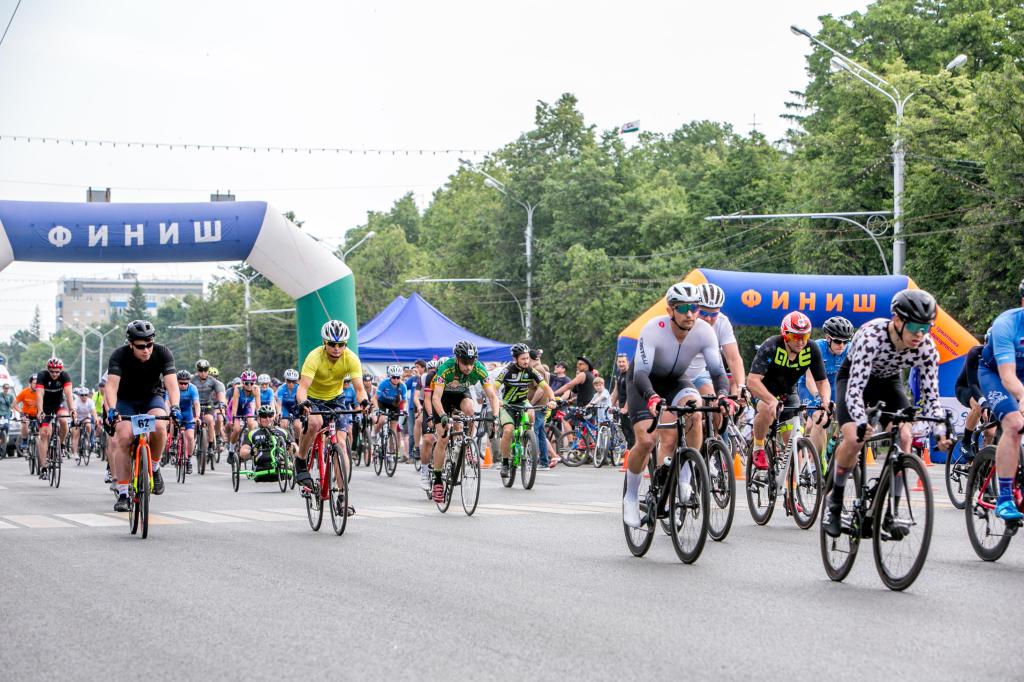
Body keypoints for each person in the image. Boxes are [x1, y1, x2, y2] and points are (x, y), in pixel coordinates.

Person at [824, 289, 943, 536]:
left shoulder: (927, 347)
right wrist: (859, 421)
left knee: (905, 437)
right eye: (914, 326)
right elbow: (855, 390)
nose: (920, 334)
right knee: (855, 438)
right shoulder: (872, 337)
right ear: (898, 320)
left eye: (926, 327)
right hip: (854, 380)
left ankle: (892, 512)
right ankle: (834, 502)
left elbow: (931, 395)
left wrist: (940, 431)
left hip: (889, 383)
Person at [622, 283, 732, 529]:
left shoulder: (705, 331)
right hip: (644, 381)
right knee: (649, 441)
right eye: (683, 308)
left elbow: (717, 371)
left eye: (694, 308)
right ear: (671, 310)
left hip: (676, 381)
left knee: (695, 409)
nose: (690, 313)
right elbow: (641, 373)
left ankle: (685, 476)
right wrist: (651, 397)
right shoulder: (654, 329)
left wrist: (724, 396)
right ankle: (630, 496)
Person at [103, 320, 181, 511]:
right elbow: (111, 386)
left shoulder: (163, 353)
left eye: (149, 344)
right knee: (124, 437)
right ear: (131, 344)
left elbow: (171, 384)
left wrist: (176, 407)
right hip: (126, 401)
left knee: (160, 428)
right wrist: (112, 409)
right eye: (140, 346)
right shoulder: (119, 355)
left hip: (151, 398)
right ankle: (123, 492)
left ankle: (154, 468)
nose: (146, 350)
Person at [747, 312, 831, 472]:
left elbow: (822, 381)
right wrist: (771, 400)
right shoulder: (771, 345)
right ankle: (758, 447)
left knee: (793, 445)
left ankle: (791, 493)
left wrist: (825, 401)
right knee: (765, 408)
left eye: (805, 336)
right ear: (785, 334)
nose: (801, 341)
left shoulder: (812, 348)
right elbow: (752, 381)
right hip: (763, 391)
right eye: (795, 336)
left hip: (788, 393)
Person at [293, 320, 369, 496]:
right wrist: (304, 403)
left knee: (341, 444)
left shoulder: (351, 358)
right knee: (314, 423)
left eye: (341, 344)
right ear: (324, 343)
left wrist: (364, 402)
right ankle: (301, 460)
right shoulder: (314, 357)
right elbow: (302, 388)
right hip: (313, 398)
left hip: (336, 398)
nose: (336, 348)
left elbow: (359, 389)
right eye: (332, 344)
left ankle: (343, 496)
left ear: (345, 344)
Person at [974, 283, 1024, 521]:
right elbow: (1008, 377)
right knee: (1014, 424)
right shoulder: (1007, 324)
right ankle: (1004, 497)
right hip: (996, 374)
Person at [430, 342, 499, 503]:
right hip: (443, 398)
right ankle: (438, 479)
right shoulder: (446, 368)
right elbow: (435, 397)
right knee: (444, 438)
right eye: (465, 363)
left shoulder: (479, 369)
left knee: (470, 410)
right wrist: (442, 415)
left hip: (461, 394)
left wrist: (495, 416)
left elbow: (493, 396)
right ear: (457, 359)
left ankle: (466, 444)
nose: (468, 367)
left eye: (471, 362)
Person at [495, 343, 556, 477]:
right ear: (515, 359)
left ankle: (528, 438)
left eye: (528, 358)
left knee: (531, 412)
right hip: (507, 404)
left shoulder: (531, 370)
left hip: (523, 402)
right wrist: (496, 400)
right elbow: (494, 388)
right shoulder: (507, 371)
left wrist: (552, 400)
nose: (526, 361)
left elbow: (546, 387)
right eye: (523, 359)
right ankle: (505, 462)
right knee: (508, 430)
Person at [686, 283, 747, 410]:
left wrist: (741, 386)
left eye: (713, 314)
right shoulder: (685, 320)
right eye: (703, 312)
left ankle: (714, 430)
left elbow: (733, 358)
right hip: (676, 375)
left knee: (716, 406)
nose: (708, 318)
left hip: (699, 374)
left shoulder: (722, 322)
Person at [35, 357, 74, 480]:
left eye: (57, 371)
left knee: (63, 420)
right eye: (52, 371)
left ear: (61, 370)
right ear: (48, 370)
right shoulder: (42, 376)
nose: (54, 374)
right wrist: (40, 410)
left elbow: (68, 393)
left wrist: (72, 409)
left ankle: (61, 444)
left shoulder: (65, 376)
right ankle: (44, 467)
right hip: (45, 406)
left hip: (58, 404)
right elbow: (40, 394)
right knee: (44, 434)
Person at [954, 339, 987, 460]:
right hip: (966, 388)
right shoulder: (975, 353)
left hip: (985, 392)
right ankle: (966, 441)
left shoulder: (1003, 356)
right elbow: (973, 384)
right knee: (978, 407)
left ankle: (983, 463)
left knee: (991, 432)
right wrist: (984, 403)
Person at [238, 404, 289, 472]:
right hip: (261, 461)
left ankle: (281, 464)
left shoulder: (282, 432)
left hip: (279, 459)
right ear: (259, 419)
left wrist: (293, 449)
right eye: (264, 416)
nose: (268, 419)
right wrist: (251, 452)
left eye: (270, 416)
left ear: (273, 417)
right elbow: (242, 452)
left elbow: (296, 448)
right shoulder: (252, 433)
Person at [191, 359, 226, 456]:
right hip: (195, 406)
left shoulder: (212, 380)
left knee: (210, 420)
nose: (203, 373)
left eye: (205, 370)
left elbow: (220, 392)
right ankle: (192, 443)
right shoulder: (192, 380)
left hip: (208, 405)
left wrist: (222, 403)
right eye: (200, 370)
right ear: (197, 370)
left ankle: (210, 446)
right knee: (193, 423)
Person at [375, 365, 407, 457]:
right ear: (390, 376)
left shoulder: (402, 386)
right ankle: (375, 433)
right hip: (382, 403)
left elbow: (404, 401)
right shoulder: (384, 383)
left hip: (394, 405)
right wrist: (377, 409)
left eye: (398, 377)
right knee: (382, 420)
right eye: (393, 377)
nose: (396, 379)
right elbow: (375, 398)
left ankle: (391, 454)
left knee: (393, 430)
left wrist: (404, 410)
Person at [417, 359, 440, 491]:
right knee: (428, 439)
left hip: (444, 406)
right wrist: (430, 416)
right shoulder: (428, 376)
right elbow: (426, 399)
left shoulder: (453, 377)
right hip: (430, 406)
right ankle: (424, 472)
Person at [227, 370, 261, 455]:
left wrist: (260, 418)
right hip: (235, 409)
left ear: (254, 383)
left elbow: (258, 406)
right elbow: (234, 408)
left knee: (251, 423)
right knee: (237, 429)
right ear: (242, 382)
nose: (249, 385)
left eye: (251, 383)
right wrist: (233, 420)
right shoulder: (237, 389)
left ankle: (249, 444)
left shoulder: (256, 389)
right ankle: (231, 450)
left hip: (246, 408)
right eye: (246, 383)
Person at [608, 353, 635, 451]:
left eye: (623, 361)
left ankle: (631, 455)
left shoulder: (630, 374)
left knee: (631, 433)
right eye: (619, 362)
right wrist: (610, 405)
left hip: (630, 406)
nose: (621, 364)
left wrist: (626, 408)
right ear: (617, 363)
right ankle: (628, 454)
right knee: (625, 431)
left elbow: (631, 392)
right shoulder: (618, 374)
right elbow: (616, 391)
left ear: (627, 362)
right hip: (622, 406)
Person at [176, 370, 201, 473]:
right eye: (180, 383)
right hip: (177, 411)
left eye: (185, 383)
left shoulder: (192, 388)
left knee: (190, 437)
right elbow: (167, 402)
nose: (183, 385)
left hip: (187, 413)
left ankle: (188, 459)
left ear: (189, 382)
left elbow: (196, 403)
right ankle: (173, 441)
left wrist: (197, 416)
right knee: (171, 422)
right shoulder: (173, 387)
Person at [71, 387, 97, 463]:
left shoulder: (90, 401)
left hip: (86, 417)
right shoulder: (76, 401)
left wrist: (95, 419)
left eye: (86, 395)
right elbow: (74, 412)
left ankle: (87, 439)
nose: (84, 397)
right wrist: (75, 419)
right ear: (79, 395)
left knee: (89, 425)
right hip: (77, 418)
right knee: (76, 435)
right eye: (82, 395)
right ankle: (75, 453)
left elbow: (93, 411)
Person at [14, 375, 39, 453]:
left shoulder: (41, 392)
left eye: (38, 383)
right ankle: (25, 440)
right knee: (24, 423)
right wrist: (21, 413)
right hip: (27, 414)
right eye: (35, 383)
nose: (36, 385)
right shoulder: (24, 392)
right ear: (30, 383)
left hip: (38, 414)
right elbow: (14, 404)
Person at [276, 368, 301, 444]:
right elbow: (279, 403)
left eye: (293, 381)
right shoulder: (281, 388)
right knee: (283, 424)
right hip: (285, 407)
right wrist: (279, 412)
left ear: (296, 381)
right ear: (285, 380)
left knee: (297, 426)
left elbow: (301, 402)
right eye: (289, 381)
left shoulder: (299, 388)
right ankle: (285, 442)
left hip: (296, 407)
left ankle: (297, 442)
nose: (291, 384)